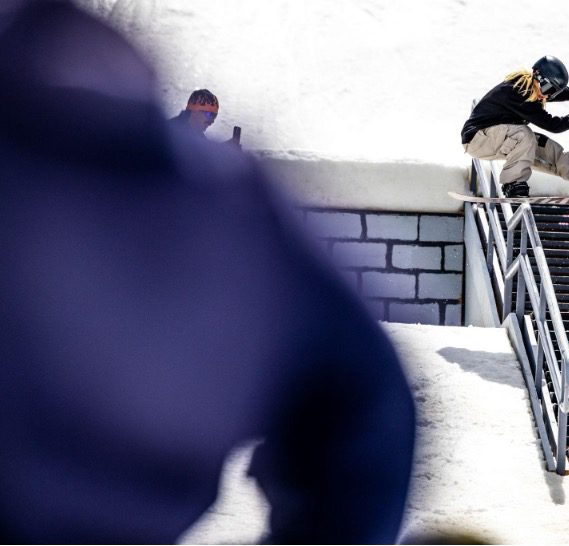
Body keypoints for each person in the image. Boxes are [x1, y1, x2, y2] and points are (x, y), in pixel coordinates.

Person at [0, 1, 415, 543]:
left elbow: (363, 411)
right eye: (202, 112)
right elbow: (368, 419)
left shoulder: (215, 191)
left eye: (208, 113)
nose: (204, 118)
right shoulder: (222, 202)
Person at [461, 55, 569, 198]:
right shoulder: (517, 92)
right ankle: (513, 184)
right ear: (537, 76)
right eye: (547, 89)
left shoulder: (534, 90)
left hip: (503, 136)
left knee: (546, 147)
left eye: (553, 92)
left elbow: (557, 94)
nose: (547, 96)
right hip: (477, 138)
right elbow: (553, 125)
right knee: (524, 135)